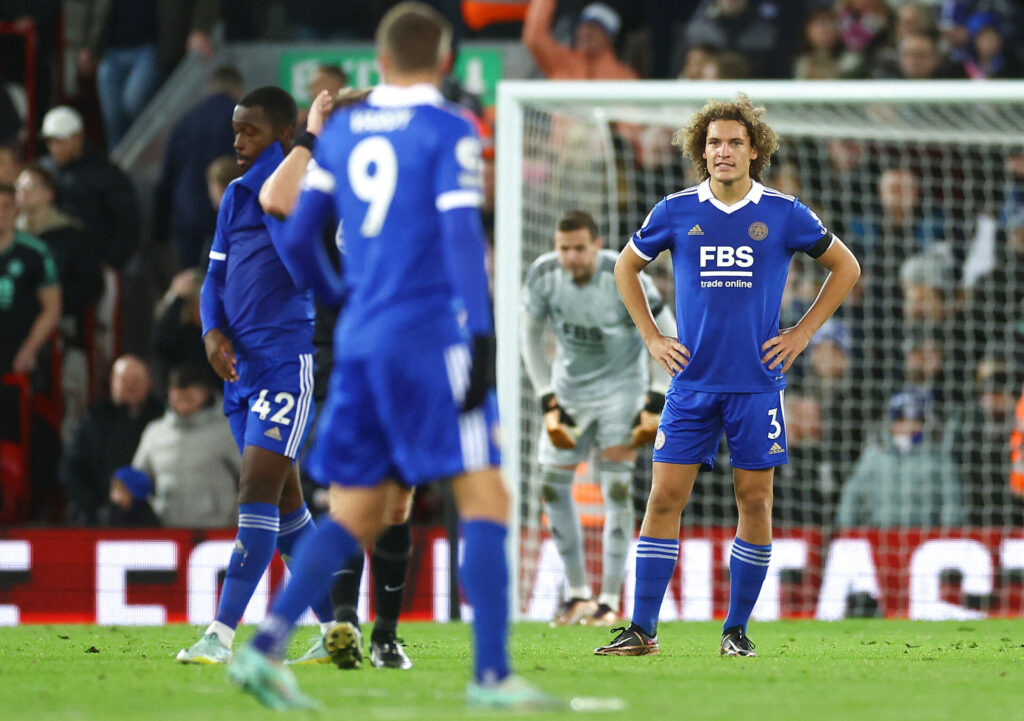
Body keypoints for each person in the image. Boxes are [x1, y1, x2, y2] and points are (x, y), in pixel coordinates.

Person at [229, 3, 550, 710]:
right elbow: (463, 236)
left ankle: (263, 646)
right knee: (486, 496)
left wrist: (341, 296)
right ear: (442, 61)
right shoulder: (448, 128)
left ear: (378, 62)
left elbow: (296, 232)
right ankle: (492, 675)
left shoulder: (341, 133)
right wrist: (484, 334)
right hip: (431, 337)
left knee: (357, 508)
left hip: (361, 338)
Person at [595, 94, 860, 658]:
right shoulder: (674, 210)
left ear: (754, 150)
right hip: (690, 384)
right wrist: (651, 336)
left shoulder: (785, 212)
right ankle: (642, 630)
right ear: (701, 149)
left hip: (755, 385)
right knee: (663, 498)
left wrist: (801, 334)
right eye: (714, 142)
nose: (723, 150)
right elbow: (625, 266)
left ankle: (735, 631)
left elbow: (846, 266)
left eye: (735, 141)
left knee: (755, 501)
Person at [176, 86, 335, 665]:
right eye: (236, 130)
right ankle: (339, 630)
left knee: (256, 492)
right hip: (239, 370)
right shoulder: (236, 197)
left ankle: (220, 635)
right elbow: (213, 279)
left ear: (284, 136)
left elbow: (305, 270)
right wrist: (211, 334)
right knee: (288, 514)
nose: (238, 141)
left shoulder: (295, 195)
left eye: (251, 132)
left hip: (283, 365)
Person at [258, 86, 414, 671]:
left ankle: (386, 635)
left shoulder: (400, 181)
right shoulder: (323, 180)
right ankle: (343, 623)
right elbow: (275, 201)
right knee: (348, 490)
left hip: (401, 349)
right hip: (338, 350)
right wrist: (311, 132)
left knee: (396, 504)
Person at [520, 209, 674, 627]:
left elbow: (667, 330)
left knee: (617, 490)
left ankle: (608, 600)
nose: (570, 257)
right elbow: (529, 336)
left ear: (596, 244)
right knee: (552, 488)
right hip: (569, 395)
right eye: (563, 248)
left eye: (579, 248)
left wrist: (655, 398)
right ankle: (578, 595)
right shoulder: (543, 275)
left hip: (620, 397)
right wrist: (547, 397)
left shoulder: (622, 273)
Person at [153, 65, 244, 269]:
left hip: (188, 216)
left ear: (209, 89)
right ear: (238, 89)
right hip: (232, 217)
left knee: (194, 283)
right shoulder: (244, 123)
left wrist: (158, 232)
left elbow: (167, 177)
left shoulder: (186, 121)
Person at [126, 363, 240, 528]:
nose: (183, 404)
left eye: (189, 399)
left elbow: (252, 481)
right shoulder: (155, 433)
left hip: (219, 533)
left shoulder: (230, 431)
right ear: (170, 394)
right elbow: (139, 479)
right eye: (178, 398)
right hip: (167, 532)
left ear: (205, 393)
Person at [59, 355, 164, 525]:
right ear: (112, 384)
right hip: (97, 516)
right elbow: (71, 469)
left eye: (137, 380)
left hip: (152, 518)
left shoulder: (162, 420)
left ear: (149, 384)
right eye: (124, 380)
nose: (131, 386)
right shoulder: (94, 419)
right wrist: (97, 507)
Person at [836, 389, 962, 528]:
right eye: (902, 421)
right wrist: (846, 528)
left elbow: (952, 500)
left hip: (924, 533)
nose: (909, 427)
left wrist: (949, 532)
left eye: (915, 421)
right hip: (881, 532)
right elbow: (852, 494)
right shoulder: (874, 454)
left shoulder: (938, 456)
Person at [38, 106, 140, 271]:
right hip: (52, 264)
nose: (55, 148)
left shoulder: (105, 174)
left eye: (61, 141)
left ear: (79, 137)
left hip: (93, 266)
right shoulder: (43, 171)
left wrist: (111, 260)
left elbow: (127, 222)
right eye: (50, 142)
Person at [522, 0, 637, 80]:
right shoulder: (561, 62)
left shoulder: (623, 77)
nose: (587, 32)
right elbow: (534, 38)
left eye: (596, 28)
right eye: (584, 26)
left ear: (610, 38)